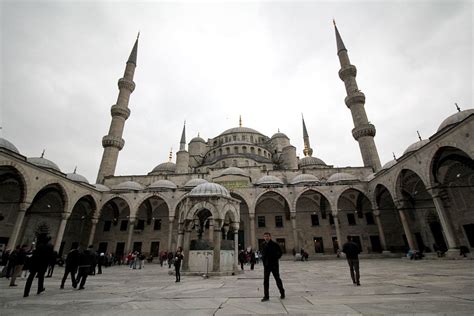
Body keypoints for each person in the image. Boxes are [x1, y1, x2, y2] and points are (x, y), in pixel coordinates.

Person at [260, 232, 285, 302]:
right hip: (266, 265)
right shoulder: (262, 244)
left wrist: (275, 258)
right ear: (264, 237)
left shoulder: (275, 244)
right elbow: (262, 253)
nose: (266, 237)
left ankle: (282, 292)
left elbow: (280, 253)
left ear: (270, 237)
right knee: (265, 281)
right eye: (265, 236)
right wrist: (263, 261)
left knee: (277, 279)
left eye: (267, 236)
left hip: (274, 265)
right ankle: (266, 296)